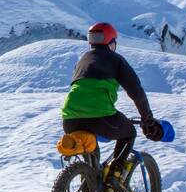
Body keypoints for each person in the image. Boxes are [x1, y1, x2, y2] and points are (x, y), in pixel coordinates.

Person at [61, 22, 163, 175]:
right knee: (129, 134)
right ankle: (114, 174)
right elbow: (136, 91)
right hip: (101, 117)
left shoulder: (82, 60)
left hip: (70, 119)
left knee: (91, 159)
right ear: (111, 42)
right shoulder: (116, 60)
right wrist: (148, 119)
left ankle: (91, 191)